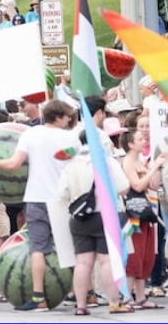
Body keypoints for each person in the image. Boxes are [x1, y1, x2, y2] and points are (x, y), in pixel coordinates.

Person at [0, 100, 79, 311]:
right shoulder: (71, 138)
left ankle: (39, 297)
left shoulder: (30, 134)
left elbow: (13, 164)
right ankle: (80, 292)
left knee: (38, 248)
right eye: (66, 116)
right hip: (64, 199)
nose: (68, 120)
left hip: (37, 197)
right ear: (58, 117)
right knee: (69, 247)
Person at [59, 131, 134, 315]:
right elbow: (124, 188)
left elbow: (62, 193)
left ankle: (81, 306)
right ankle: (114, 302)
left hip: (79, 218)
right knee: (107, 261)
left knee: (83, 263)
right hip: (105, 216)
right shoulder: (107, 161)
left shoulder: (71, 163)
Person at [120, 129, 168, 309]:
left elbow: (153, 185)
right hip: (134, 215)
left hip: (147, 213)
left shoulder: (141, 161)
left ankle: (140, 296)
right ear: (130, 144)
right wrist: (155, 167)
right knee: (135, 254)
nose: (144, 140)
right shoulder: (128, 162)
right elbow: (138, 185)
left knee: (147, 255)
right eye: (139, 139)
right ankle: (127, 296)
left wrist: (158, 166)